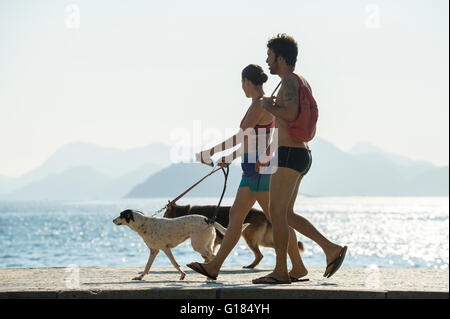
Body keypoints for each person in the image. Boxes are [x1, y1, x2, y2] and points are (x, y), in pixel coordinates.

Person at [186, 64, 309, 282]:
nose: (242, 87)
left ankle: (298, 267)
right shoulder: (261, 104)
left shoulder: (259, 106)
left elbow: (240, 136)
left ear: (247, 81)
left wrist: (210, 151)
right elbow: (252, 140)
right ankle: (214, 267)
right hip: (251, 170)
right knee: (236, 219)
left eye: (242, 83)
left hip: (259, 171)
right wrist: (231, 157)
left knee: (276, 219)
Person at [252, 34, 347, 284]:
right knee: (287, 214)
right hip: (300, 153)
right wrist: (274, 106)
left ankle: (281, 271)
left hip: (289, 153)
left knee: (276, 212)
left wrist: (267, 106)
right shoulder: (298, 80)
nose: (267, 61)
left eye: (270, 57)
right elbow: (292, 112)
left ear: (281, 58)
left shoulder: (289, 82)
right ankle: (329, 250)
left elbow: (291, 113)